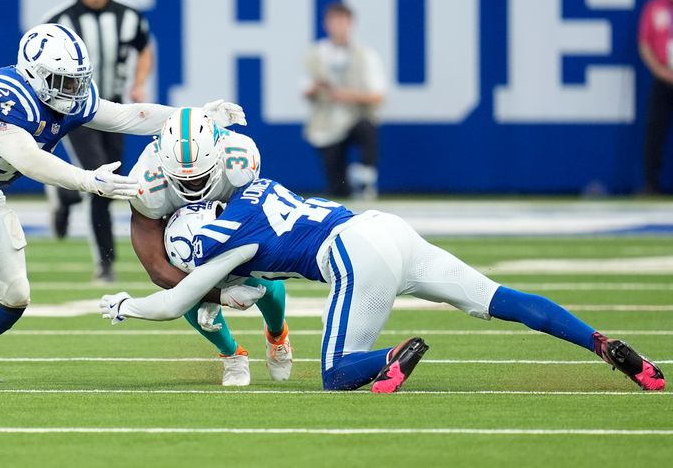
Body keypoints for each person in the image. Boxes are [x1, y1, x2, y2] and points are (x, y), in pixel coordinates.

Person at [0, 22, 244, 386]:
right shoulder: (5, 97)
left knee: (16, 295)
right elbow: (28, 159)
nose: (74, 89)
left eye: (77, 79)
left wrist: (196, 117)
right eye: (63, 80)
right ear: (34, 74)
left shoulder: (67, 96)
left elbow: (126, 116)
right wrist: (89, 180)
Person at [101, 179, 666, 393]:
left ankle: (394, 355)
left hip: (355, 256)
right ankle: (600, 344)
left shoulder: (217, 245)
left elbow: (175, 300)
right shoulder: (249, 188)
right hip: (386, 227)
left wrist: (127, 305)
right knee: (499, 299)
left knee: (336, 374)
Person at [126, 108, 291, 386]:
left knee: (262, 273)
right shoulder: (146, 182)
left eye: (200, 177)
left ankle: (278, 335)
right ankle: (232, 354)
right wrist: (218, 295)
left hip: (232, 220)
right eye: (183, 178)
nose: (191, 184)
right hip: (181, 232)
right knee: (183, 274)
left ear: (217, 156)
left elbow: (255, 225)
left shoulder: (239, 159)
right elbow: (156, 267)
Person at [44, 0, 155, 282]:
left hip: (115, 109)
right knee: (99, 179)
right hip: (75, 109)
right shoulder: (60, 19)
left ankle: (65, 195)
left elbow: (144, 48)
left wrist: (138, 85)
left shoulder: (129, 15)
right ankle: (105, 262)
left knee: (109, 178)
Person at [303, 2, 386, 200]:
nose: (338, 26)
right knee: (337, 189)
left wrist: (346, 95)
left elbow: (378, 95)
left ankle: (366, 176)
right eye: (333, 21)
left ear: (351, 24)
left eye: (342, 21)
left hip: (356, 117)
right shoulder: (316, 54)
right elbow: (306, 91)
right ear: (326, 24)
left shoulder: (366, 55)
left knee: (367, 128)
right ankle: (349, 187)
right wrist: (318, 87)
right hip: (327, 124)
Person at [639, 0, 673, 195]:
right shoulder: (655, 7)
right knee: (655, 131)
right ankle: (651, 184)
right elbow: (645, 44)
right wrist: (661, 72)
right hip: (663, 77)